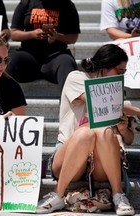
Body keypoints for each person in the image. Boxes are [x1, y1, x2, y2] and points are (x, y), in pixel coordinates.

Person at [36, 44, 135, 215]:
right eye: (120, 71)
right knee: (86, 132)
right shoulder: (76, 77)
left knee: (103, 131)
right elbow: (96, 98)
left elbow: (129, 139)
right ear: (104, 67)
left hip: (102, 163)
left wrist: (122, 128)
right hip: (69, 153)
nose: (122, 76)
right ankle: (57, 194)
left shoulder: (117, 91)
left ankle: (119, 195)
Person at [5, 0, 80, 93]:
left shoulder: (67, 5)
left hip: (56, 57)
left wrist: (57, 36)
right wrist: (32, 34)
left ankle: (69, 105)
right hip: (28, 56)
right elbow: (14, 34)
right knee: (10, 59)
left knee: (67, 63)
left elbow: (73, 37)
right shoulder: (26, 3)